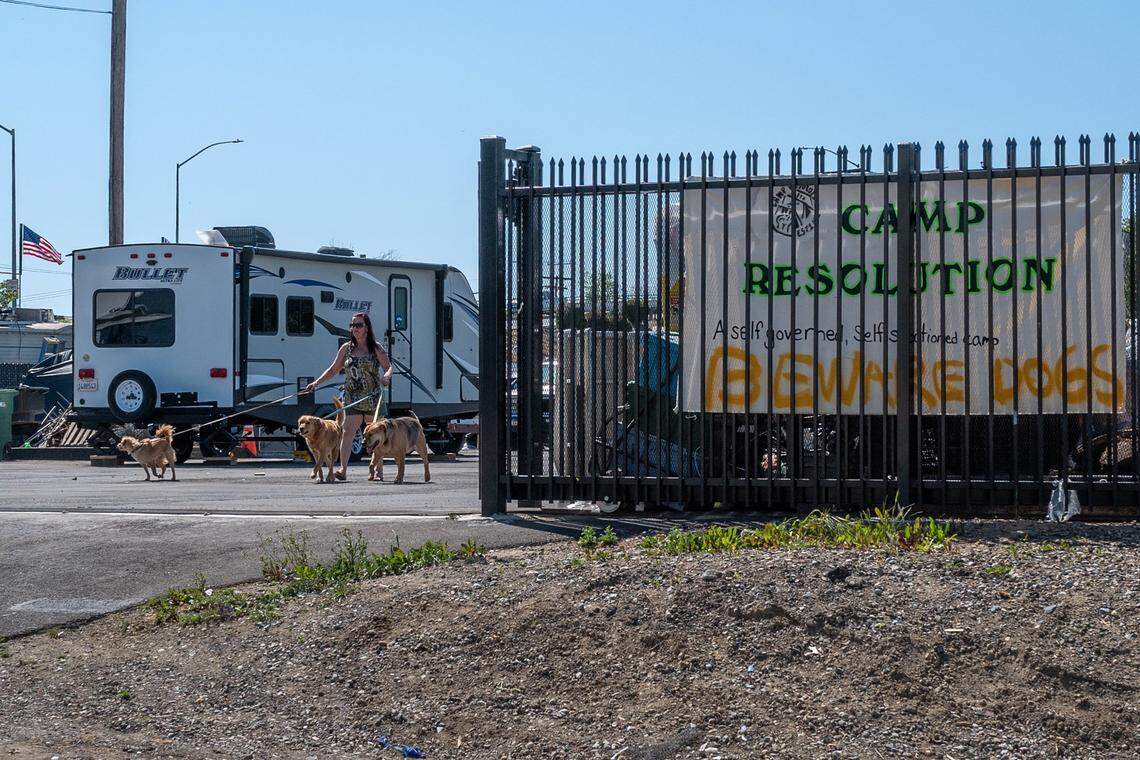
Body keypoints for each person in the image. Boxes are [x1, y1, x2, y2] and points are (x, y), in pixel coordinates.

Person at [303, 312, 392, 480]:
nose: (354, 328)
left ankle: (377, 470)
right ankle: (343, 470)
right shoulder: (346, 348)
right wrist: (316, 383)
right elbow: (333, 370)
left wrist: (386, 376)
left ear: (366, 328)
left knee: (375, 435)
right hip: (352, 397)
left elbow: (388, 367)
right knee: (347, 432)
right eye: (352, 325)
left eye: (358, 325)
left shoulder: (375, 347)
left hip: (372, 397)